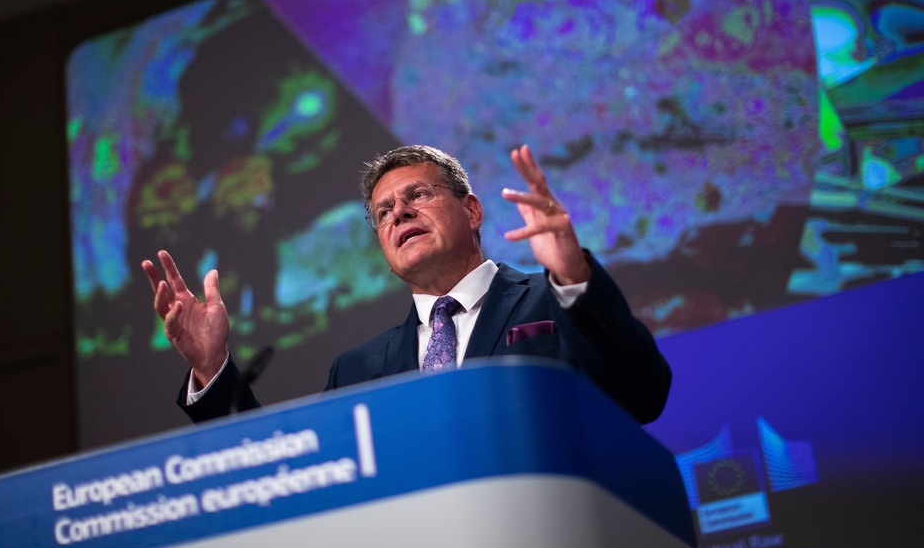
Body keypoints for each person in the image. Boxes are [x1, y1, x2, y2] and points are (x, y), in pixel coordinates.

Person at [142, 145, 671, 425]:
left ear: (472, 210)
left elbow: (641, 396)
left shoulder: (554, 301)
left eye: (418, 195)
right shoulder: (357, 370)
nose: (399, 213)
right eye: (383, 211)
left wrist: (574, 277)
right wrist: (212, 369)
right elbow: (296, 474)